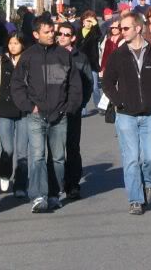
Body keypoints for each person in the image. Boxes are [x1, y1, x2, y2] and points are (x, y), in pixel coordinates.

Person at [10, 16, 82, 213]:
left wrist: (69, 107)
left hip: (60, 116)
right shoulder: (28, 56)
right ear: (36, 34)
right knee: (37, 156)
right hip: (35, 115)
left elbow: (74, 85)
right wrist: (28, 106)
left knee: (58, 158)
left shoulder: (63, 55)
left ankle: (53, 194)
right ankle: (38, 196)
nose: (52, 35)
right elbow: (16, 84)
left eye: (53, 31)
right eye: (47, 32)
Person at [102, 13, 151, 216]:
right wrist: (119, 101)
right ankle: (135, 199)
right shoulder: (118, 54)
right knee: (131, 159)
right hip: (125, 115)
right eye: (120, 29)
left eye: (125, 28)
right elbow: (107, 83)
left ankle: (149, 183)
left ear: (138, 28)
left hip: (149, 114)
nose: (121, 32)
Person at [0, 32, 28, 198]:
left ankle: (20, 184)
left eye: (16, 43)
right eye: (10, 43)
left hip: (24, 109)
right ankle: (5, 173)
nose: (13, 46)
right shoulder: (1, 60)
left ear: (22, 44)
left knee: (22, 151)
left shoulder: (29, 60)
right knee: (8, 148)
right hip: (3, 108)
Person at [54, 22, 93, 200]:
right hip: (53, 109)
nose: (62, 37)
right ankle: (54, 184)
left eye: (67, 34)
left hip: (73, 110)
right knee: (54, 149)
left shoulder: (80, 58)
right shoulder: (50, 55)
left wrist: (80, 104)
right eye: (60, 33)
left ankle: (73, 185)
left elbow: (87, 84)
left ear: (73, 38)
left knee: (72, 148)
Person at [76, 10, 102, 111]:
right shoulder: (78, 31)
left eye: (91, 21)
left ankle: (99, 106)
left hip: (92, 63)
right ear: (83, 21)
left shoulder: (94, 32)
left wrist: (95, 24)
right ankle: (83, 109)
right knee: (81, 87)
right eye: (87, 20)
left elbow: (99, 35)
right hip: (79, 63)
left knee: (95, 87)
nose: (89, 23)